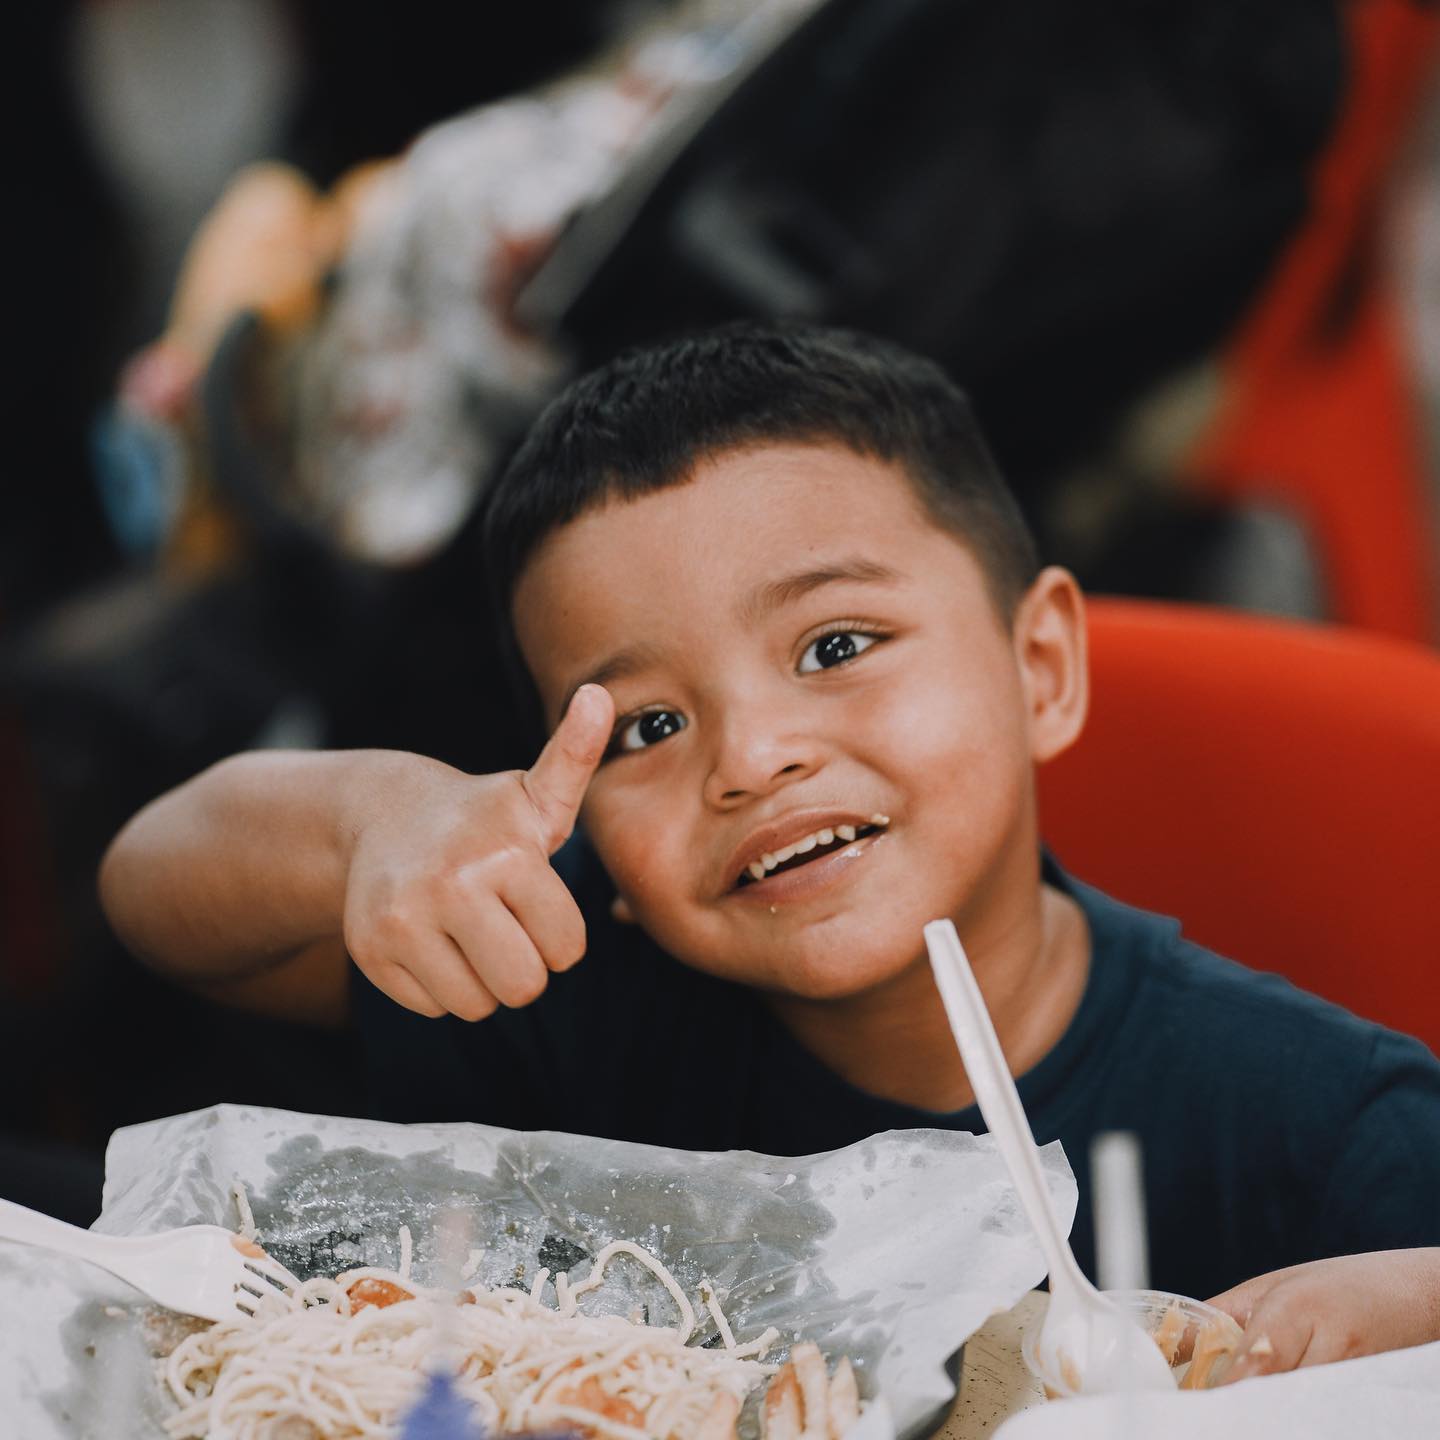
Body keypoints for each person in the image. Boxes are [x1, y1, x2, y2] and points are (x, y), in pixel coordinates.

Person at [100, 321, 1440, 1381]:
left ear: (1040, 668)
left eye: (835, 648)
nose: (749, 757)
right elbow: (154, 896)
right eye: (648, 726)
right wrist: (368, 821)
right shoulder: (573, 979)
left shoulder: (1325, 1127)